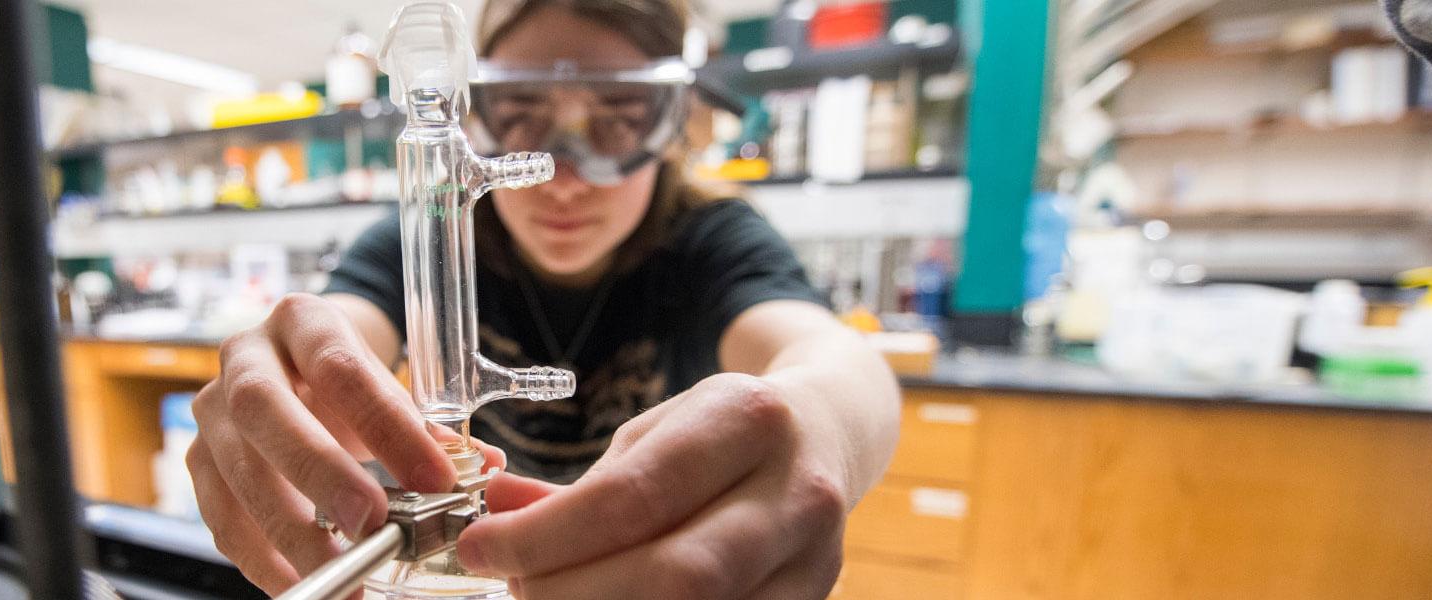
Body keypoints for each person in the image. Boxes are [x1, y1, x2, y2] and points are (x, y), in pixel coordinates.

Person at [184, 0, 900, 597]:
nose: (562, 177)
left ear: (671, 122)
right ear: (479, 114)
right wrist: (286, 370)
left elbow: (835, 358)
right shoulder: (437, 226)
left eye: (618, 116)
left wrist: (821, 426)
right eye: (522, 111)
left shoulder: (708, 241)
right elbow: (340, 331)